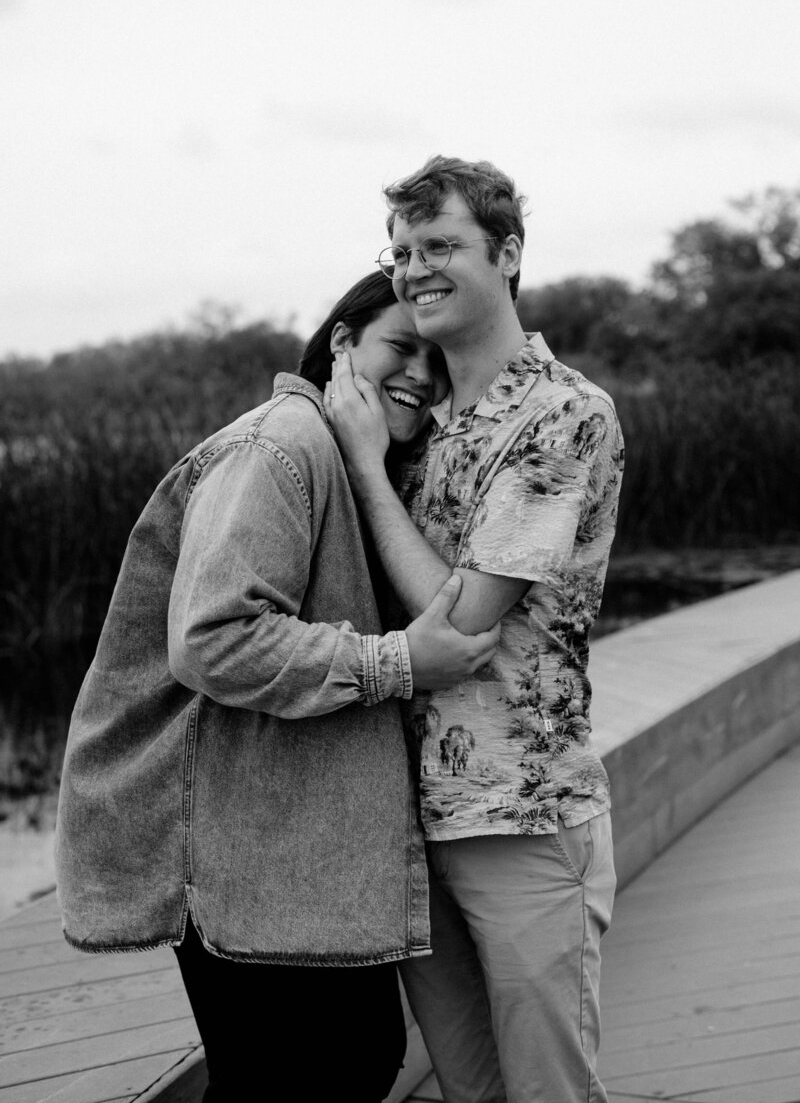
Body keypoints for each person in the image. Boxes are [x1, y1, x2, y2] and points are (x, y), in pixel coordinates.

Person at [55, 270, 500, 1103]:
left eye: (436, 362)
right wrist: (399, 661)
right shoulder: (278, 449)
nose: (421, 376)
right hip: (228, 841)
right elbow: (214, 638)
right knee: (303, 1073)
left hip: (283, 836)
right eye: (401, 347)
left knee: (349, 1058)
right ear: (342, 345)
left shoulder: (347, 456)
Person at [327, 157, 625, 1103]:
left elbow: (460, 622)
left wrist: (369, 470)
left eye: (442, 245)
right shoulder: (428, 418)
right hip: (413, 821)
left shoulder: (563, 413)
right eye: (403, 250)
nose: (416, 268)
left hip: (523, 818)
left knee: (548, 1094)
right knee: (472, 1092)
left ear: (507, 253)